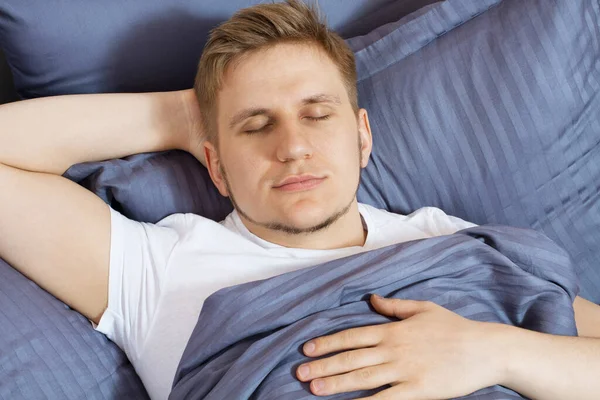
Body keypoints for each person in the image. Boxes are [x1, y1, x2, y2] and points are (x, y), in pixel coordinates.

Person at [0, 0, 599, 399]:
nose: (292, 148)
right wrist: (181, 114)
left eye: (317, 115)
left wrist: (493, 352)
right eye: (256, 126)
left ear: (362, 137)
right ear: (216, 165)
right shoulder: (159, 269)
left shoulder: (445, 241)